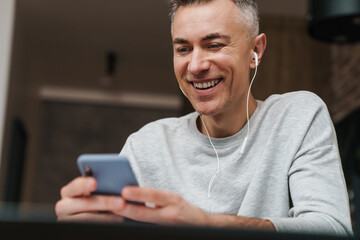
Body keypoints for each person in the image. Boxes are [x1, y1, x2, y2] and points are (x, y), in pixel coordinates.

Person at [55, 0, 353, 236]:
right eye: (183, 49)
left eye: (214, 45)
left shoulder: (298, 117)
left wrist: (206, 223)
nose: (195, 65)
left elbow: (332, 229)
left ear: (255, 52)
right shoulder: (147, 145)